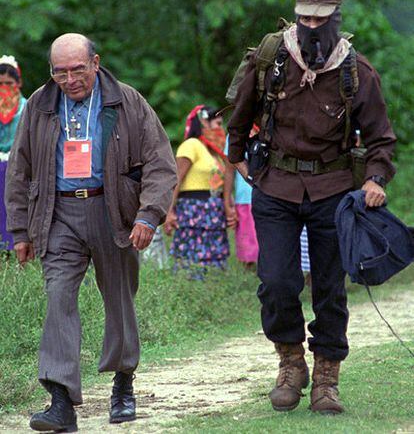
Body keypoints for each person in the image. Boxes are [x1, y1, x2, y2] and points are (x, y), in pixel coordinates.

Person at [227, 0, 396, 414]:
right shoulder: (271, 60)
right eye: (304, 18)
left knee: (329, 288)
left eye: (321, 19)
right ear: (296, 16)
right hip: (276, 188)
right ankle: (289, 361)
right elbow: (238, 117)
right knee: (278, 282)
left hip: (333, 191)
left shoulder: (355, 70)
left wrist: (375, 179)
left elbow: (381, 138)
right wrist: (238, 157)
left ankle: (326, 377)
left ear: (335, 19)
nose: (311, 26)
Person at [5, 33, 177, 432]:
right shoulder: (41, 106)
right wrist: (20, 231)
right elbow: (20, 169)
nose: (70, 79)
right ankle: (61, 400)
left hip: (112, 210)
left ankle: (122, 384)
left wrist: (148, 216)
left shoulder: (128, 102)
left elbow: (160, 162)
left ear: (95, 63)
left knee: (119, 296)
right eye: (60, 72)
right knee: (58, 296)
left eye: (77, 69)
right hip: (57, 212)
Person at [164, 105, 229, 279]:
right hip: (193, 212)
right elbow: (176, 180)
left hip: (213, 213)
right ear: (203, 123)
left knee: (213, 267)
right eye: (217, 123)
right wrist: (169, 211)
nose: (220, 129)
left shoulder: (213, 152)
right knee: (192, 263)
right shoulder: (191, 145)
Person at [0, 55, 27, 250]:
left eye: (9, 83)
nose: (4, 87)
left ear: (18, 83)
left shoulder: (26, 108)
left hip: (17, 167)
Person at [224, 127, 259, 271]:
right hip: (244, 198)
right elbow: (229, 170)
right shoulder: (236, 133)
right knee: (248, 248)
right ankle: (249, 278)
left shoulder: (271, 129)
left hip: (271, 195)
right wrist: (227, 202)